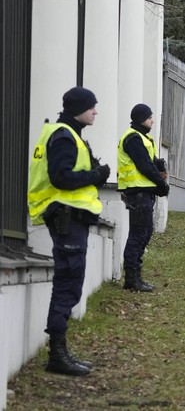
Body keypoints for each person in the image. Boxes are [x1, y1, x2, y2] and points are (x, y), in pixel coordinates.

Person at [27, 87, 111, 376]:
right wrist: (96, 176)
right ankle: (57, 355)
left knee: (69, 282)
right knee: (68, 283)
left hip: (69, 218)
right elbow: (61, 177)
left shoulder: (65, 133)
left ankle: (59, 351)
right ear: (78, 108)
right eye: (92, 107)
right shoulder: (63, 136)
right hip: (66, 218)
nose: (96, 111)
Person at [117, 104, 170, 292]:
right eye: (149, 117)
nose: (152, 120)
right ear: (141, 119)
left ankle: (136, 276)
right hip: (137, 193)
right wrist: (161, 184)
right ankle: (131, 278)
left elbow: (150, 161)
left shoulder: (142, 138)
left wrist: (159, 165)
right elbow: (144, 165)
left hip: (144, 193)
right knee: (138, 234)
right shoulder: (132, 138)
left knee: (145, 232)